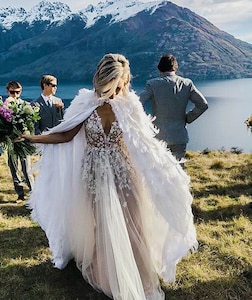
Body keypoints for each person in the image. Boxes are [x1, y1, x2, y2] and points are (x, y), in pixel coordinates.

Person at [22, 54, 198, 300]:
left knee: (133, 219)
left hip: (124, 171)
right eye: (117, 82)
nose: (120, 87)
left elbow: (145, 143)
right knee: (101, 222)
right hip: (93, 172)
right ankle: (108, 272)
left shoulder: (129, 106)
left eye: (123, 82)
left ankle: (136, 270)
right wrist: (31, 138)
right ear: (105, 80)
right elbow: (64, 135)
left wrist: (168, 171)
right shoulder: (86, 104)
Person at [139, 54, 208, 165]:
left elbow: (137, 102)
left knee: (159, 172)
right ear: (175, 68)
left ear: (159, 68)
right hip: (179, 136)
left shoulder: (152, 84)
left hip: (158, 137)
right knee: (178, 174)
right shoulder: (187, 83)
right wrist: (187, 118)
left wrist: (145, 121)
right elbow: (203, 104)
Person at [6, 81, 34, 201]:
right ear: (8, 91)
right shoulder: (3, 107)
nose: (15, 95)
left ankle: (34, 193)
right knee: (14, 168)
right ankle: (20, 194)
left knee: (26, 169)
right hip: (11, 143)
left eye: (17, 92)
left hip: (23, 141)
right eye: (12, 92)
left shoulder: (26, 105)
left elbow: (31, 124)